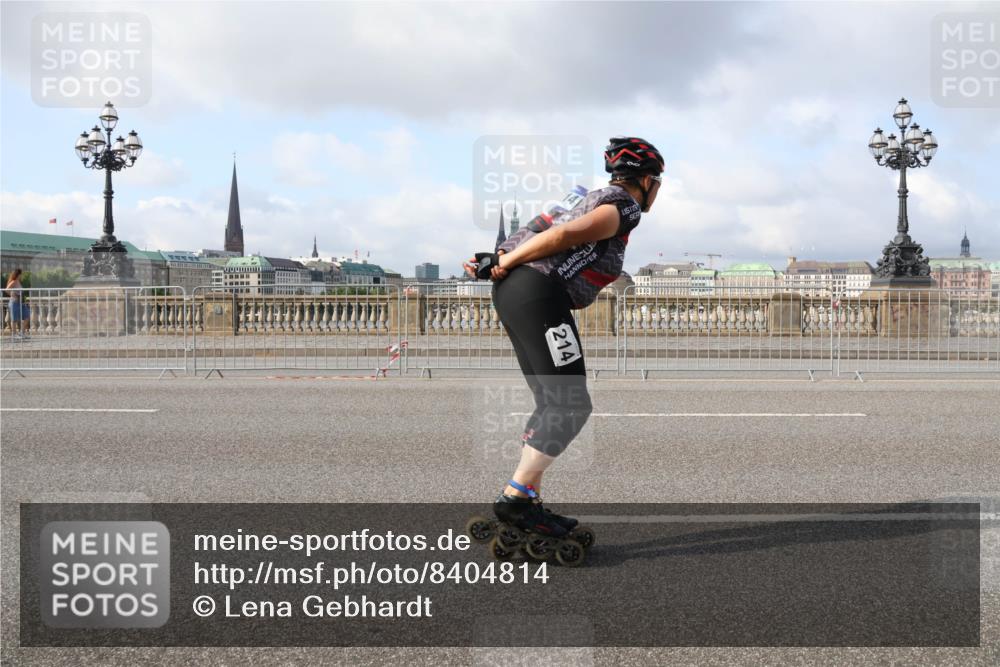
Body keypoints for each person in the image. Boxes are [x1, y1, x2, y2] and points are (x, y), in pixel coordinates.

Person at [464, 136, 664, 540]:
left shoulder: (583, 196)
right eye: (658, 183)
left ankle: (527, 498)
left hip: (517, 293)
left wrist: (494, 259)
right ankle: (516, 500)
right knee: (572, 404)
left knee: (552, 403)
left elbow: (538, 227)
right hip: (539, 294)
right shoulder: (623, 207)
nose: (657, 191)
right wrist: (504, 261)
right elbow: (562, 237)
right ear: (646, 181)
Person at [5, 268, 29, 341]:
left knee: (27, 316)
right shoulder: (14, 281)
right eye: (21, 274)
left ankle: (22, 333)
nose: (22, 276)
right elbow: (6, 289)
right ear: (18, 274)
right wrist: (13, 295)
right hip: (14, 302)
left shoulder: (18, 281)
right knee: (14, 319)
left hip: (21, 302)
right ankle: (14, 334)